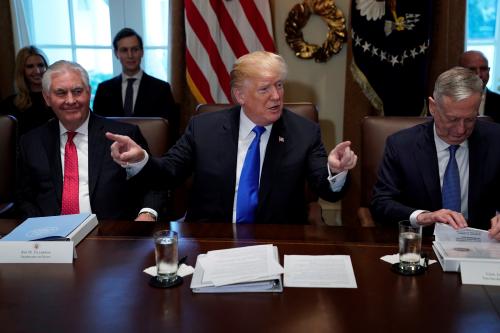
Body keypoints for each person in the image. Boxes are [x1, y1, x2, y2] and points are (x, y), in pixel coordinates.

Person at [105, 51, 357, 225]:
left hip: (277, 238)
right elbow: (169, 172)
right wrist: (141, 160)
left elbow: (327, 189)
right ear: (240, 96)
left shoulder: (304, 131)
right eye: (265, 88)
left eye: (279, 85)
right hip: (212, 237)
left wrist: (335, 171)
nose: (277, 96)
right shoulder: (204, 128)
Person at [16, 60, 165, 221]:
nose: (71, 100)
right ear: (47, 98)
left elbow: (155, 184)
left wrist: (147, 213)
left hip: (110, 235)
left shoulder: (124, 136)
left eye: (77, 91)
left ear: (89, 92)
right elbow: (24, 198)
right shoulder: (30, 143)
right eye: (61, 93)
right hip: (51, 237)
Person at [371, 66, 500, 240]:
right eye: (452, 119)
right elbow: (381, 203)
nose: (461, 130)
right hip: (422, 244)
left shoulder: (495, 139)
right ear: (433, 107)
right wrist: (424, 217)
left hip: (483, 245)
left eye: (470, 119)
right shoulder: (402, 146)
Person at [92, 28, 178, 127]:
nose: (130, 55)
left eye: (135, 49)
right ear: (116, 54)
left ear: (142, 52)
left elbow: (171, 129)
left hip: (149, 142)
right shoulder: (104, 89)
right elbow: (97, 127)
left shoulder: (162, 89)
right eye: (124, 50)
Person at [1, 46, 55, 135]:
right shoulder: (10, 103)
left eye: (41, 65)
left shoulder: (58, 98)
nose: (37, 71)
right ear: (22, 70)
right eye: (30, 66)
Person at [459, 50, 500, 123]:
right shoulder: (447, 100)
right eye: (472, 69)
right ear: (460, 73)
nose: (479, 75)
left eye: (483, 69)